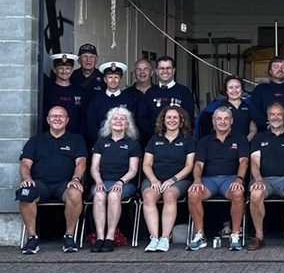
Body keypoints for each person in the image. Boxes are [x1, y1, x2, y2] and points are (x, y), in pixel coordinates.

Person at [15, 106, 87, 254]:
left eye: (61, 116)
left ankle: (69, 237)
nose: (57, 119)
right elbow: (25, 164)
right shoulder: (36, 140)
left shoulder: (76, 140)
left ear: (67, 120)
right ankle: (32, 238)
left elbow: (81, 163)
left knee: (76, 193)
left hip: (65, 184)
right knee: (26, 193)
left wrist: (75, 179)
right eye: (54, 116)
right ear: (48, 120)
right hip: (40, 184)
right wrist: (27, 178)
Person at [186, 107, 248, 251]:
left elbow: (244, 161)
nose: (222, 122)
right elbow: (198, 164)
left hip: (231, 179)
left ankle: (235, 234)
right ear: (213, 122)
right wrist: (197, 180)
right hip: (209, 180)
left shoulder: (240, 138)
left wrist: (239, 179)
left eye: (226, 118)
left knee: (238, 192)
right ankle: (200, 235)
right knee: (193, 193)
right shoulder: (204, 141)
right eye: (219, 119)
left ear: (231, 121)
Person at [248, 102, 284, 251]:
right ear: (268, 117)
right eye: (272, 114)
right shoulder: (259, 138)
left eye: (279, 114)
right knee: (256, 193)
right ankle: (259, 237)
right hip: (264, 180)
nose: (276, 117)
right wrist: (258, 179)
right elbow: (254, 163)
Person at [140, 105, 196, 253]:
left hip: (179, 179)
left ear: (181, 120)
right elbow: (146, 164)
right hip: (155, 178)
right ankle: (154, 238)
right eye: (169, 117)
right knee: (148, 196)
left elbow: (190, 165)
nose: (172, 120)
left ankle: (165, 238)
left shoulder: (188, 140)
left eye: (175, 117)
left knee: (169, 195)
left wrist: (173, 179)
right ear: (163, 121)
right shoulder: (154, 139)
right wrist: (153, 180)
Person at [88, 106, 141, 252]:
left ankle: (110, 237)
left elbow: (133, 170)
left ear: (127, 124)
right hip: (102, 181)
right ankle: (100, 237)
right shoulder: (101, 142)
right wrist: (98, 182)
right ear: (109, 123)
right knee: (98, 194)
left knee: (114, 194)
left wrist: (120, 182)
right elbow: (94, 167)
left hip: (125, 183)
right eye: (115, 119)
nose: (118, 121)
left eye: (122, 119)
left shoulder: (132, 144)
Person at [140, 56, 196, 142]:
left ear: (173, 71)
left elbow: (189, 117)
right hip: (154, 141)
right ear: (156, 71)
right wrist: (156, 135)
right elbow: (143, 118)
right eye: (161, 68)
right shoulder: (150, 93)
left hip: (178, 141)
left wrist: (177, 135)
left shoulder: (184, 92)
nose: (165, 71)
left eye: (168, 68)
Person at [248, 55, 284, 133]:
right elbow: (254, 110)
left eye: (283, 67)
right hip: (264, 134)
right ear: (270, 71)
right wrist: (270, 124)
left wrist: (281, 125)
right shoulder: (260, 89)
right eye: (276, 67)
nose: (280, 69)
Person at [86, 61, 139, 146]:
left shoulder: (129, 100)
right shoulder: (96, 101)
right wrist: (101, 142)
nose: (113, 80)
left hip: (125, 145)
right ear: (105, 79)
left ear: (120, 78)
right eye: (110, 77)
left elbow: (132, 124)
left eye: (116, 77)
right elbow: (91, 125)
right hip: (101, 145)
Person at [43, 53, 86, 136]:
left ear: (72, 70)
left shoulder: (80, 92)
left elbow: (83, 118)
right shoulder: (47, 90)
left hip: (74, 138)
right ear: (54, 70)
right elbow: (44, 116)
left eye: (67, 68)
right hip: (51, 137)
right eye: (61, 68)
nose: (64, 71)